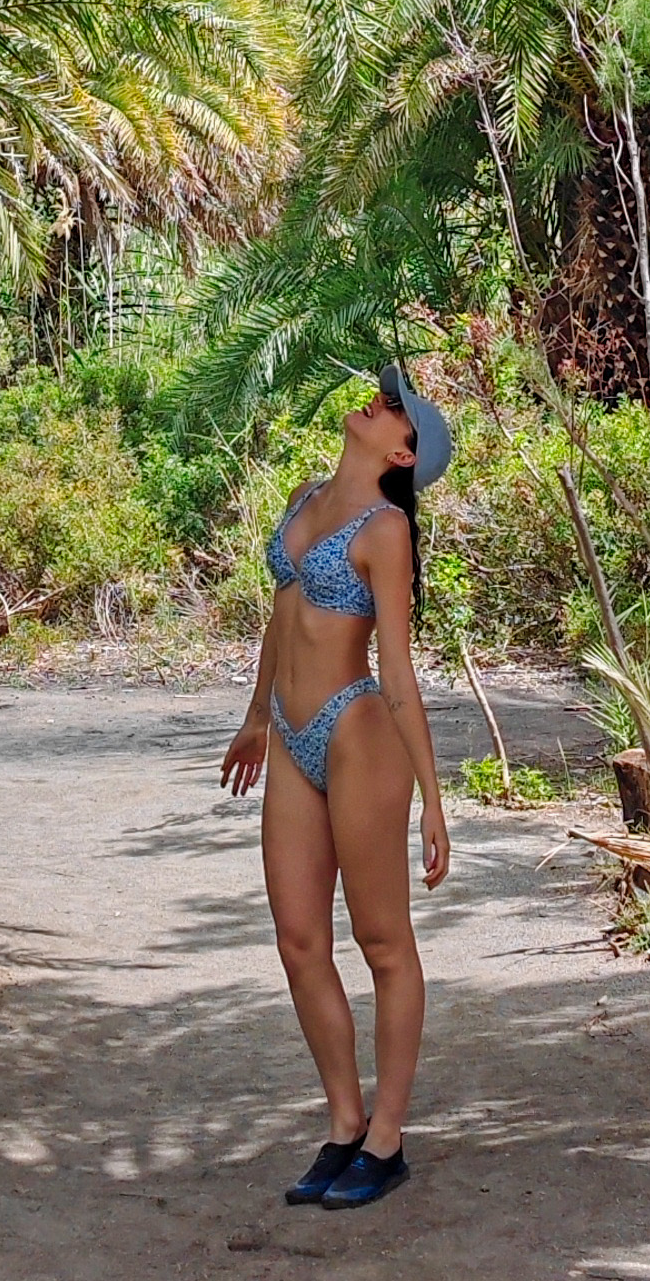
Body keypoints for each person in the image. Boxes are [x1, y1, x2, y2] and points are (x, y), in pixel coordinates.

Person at [220, 362, 456, 1211]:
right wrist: (255, 716)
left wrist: (434, 798)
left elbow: (397, 667)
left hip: (361, 732)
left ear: (402, 452)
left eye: (399, 410)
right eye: (389, 396)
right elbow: (283, 617)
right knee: (297, 941)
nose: (381, 403)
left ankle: (388, 1140)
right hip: (289, 735)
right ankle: (345, 1124)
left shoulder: (386, 530)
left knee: (382, 942)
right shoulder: (305, 497)